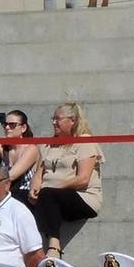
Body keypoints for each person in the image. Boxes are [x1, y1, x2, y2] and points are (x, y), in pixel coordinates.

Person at [34, 104, 102, 255]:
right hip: (50, 196)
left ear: (72, 121)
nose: (53, 122)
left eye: (57, 119)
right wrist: (35, 188)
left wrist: (51, 188)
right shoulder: (48, 145)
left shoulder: (85, 142)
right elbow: (38, 174)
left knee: (47, 195)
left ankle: (54, 245)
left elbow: (83, 179)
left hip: (82, 197)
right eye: (53, 119)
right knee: (19, 198)